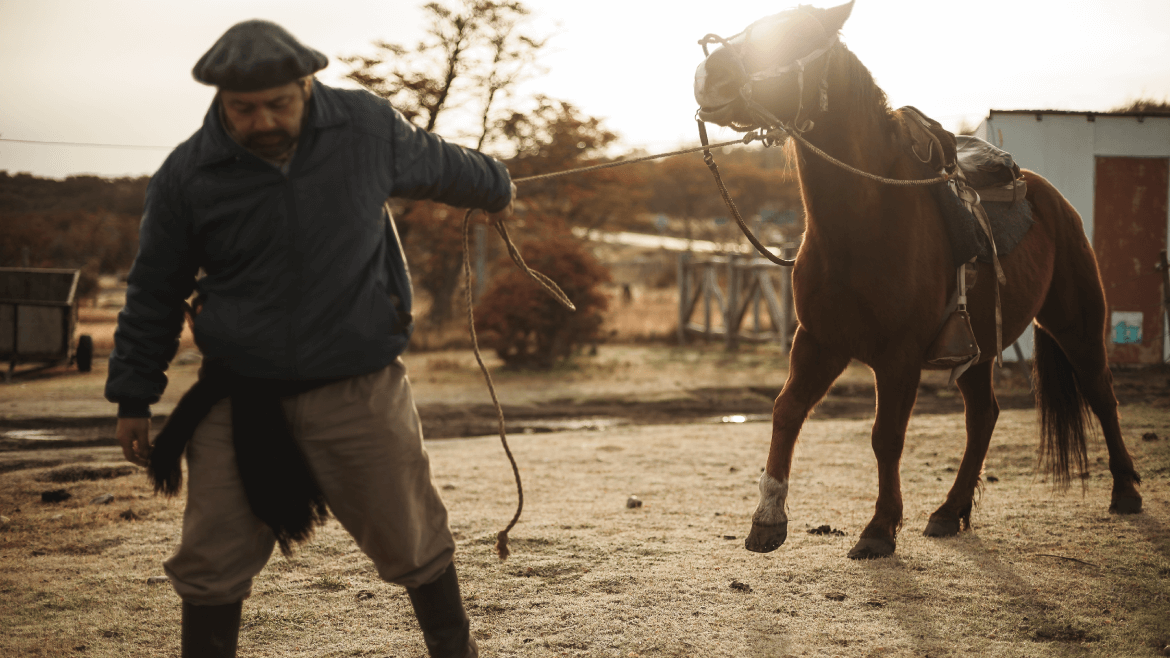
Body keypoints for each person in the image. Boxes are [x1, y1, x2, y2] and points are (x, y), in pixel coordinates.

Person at [105, 19, 512, 658]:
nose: (262, 119)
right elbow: (153, 291)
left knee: (416, 540)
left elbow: (438, 162)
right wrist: (133, 394)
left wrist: (495, 183)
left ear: (307, 83)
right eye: (243, 108)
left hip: (360, 387)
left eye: (278, 104)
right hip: (238, 397)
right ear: (220, 101)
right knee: (209, 562)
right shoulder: (187, 176)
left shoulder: (366, 129)